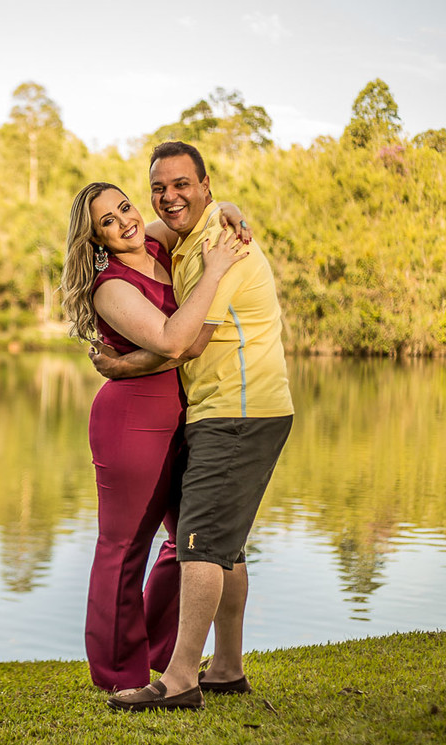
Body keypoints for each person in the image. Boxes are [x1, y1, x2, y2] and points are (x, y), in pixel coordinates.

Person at [97, 141, 294, 711]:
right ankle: (227, 668)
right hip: (235, 405)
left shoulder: (218, 245)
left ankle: (181, 677)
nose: (169, 197)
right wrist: (227, 202)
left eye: (183, 184)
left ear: (205, 184)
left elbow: (186, 341)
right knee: (225, 546)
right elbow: (145, 229)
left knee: (200, 543)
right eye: (159, 187)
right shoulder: (190, 236)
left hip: (237, 407)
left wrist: (120, 365)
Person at [61, 181, 250, 692]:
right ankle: (117, 671)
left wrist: (229, 208)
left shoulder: (155, 242)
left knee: (189, 538)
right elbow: (173, 340)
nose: (123, 221)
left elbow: (206, 215)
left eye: (124, 207)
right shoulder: (111, 286)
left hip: (187, 412)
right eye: (107, 221)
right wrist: (214, 272)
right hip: (132, 422)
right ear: (95, 239)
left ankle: (160, 655)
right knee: (123, 546)